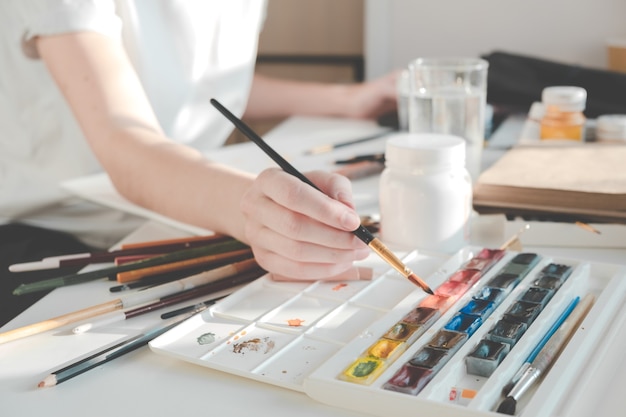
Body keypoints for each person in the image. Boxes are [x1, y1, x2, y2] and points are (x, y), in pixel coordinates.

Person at [0, 1, 398, 324]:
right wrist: (253, 209)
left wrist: (349, 100)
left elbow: (205, 90)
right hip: (54, 234)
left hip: (183, 218)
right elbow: (126, 143)